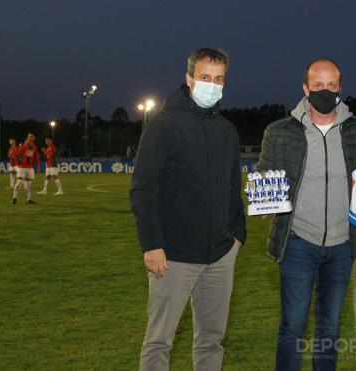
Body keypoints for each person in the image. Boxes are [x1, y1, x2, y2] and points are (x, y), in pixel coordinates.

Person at [256, 58, 356, 371]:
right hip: (297, 241)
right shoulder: (280, 131)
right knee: (292, 327)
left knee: (330, 328)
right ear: (305, 88)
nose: (325, 90)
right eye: (318, 85)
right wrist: (262, 198)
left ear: (340, 88)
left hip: (342, 244)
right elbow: (264, 174)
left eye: (332, 85)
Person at [130, 48, 246, 371]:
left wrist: (237, 237)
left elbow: (233, 189)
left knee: (211, 340)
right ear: (189, 78)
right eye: (206, 77)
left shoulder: (227, 131)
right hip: (173, 255)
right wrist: (151, 243)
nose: (212, 84)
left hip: (220, 254)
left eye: (219, 79)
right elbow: (143, 188)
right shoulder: (164, 124)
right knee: (159, 342)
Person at [12, 133, 40, 204]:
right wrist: (22, 146)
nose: (30, 138)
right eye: (29, 137)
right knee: (19, 182)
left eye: (32, 137)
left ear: (34, 139)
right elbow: (18, 153)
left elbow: (36, 156)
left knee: (29, 184)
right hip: (22, 167)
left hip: (30, 168)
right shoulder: (24, 145)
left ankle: (29, 199)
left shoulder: (34, 146)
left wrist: (38, 165)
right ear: (27, 138)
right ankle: (15, 198)